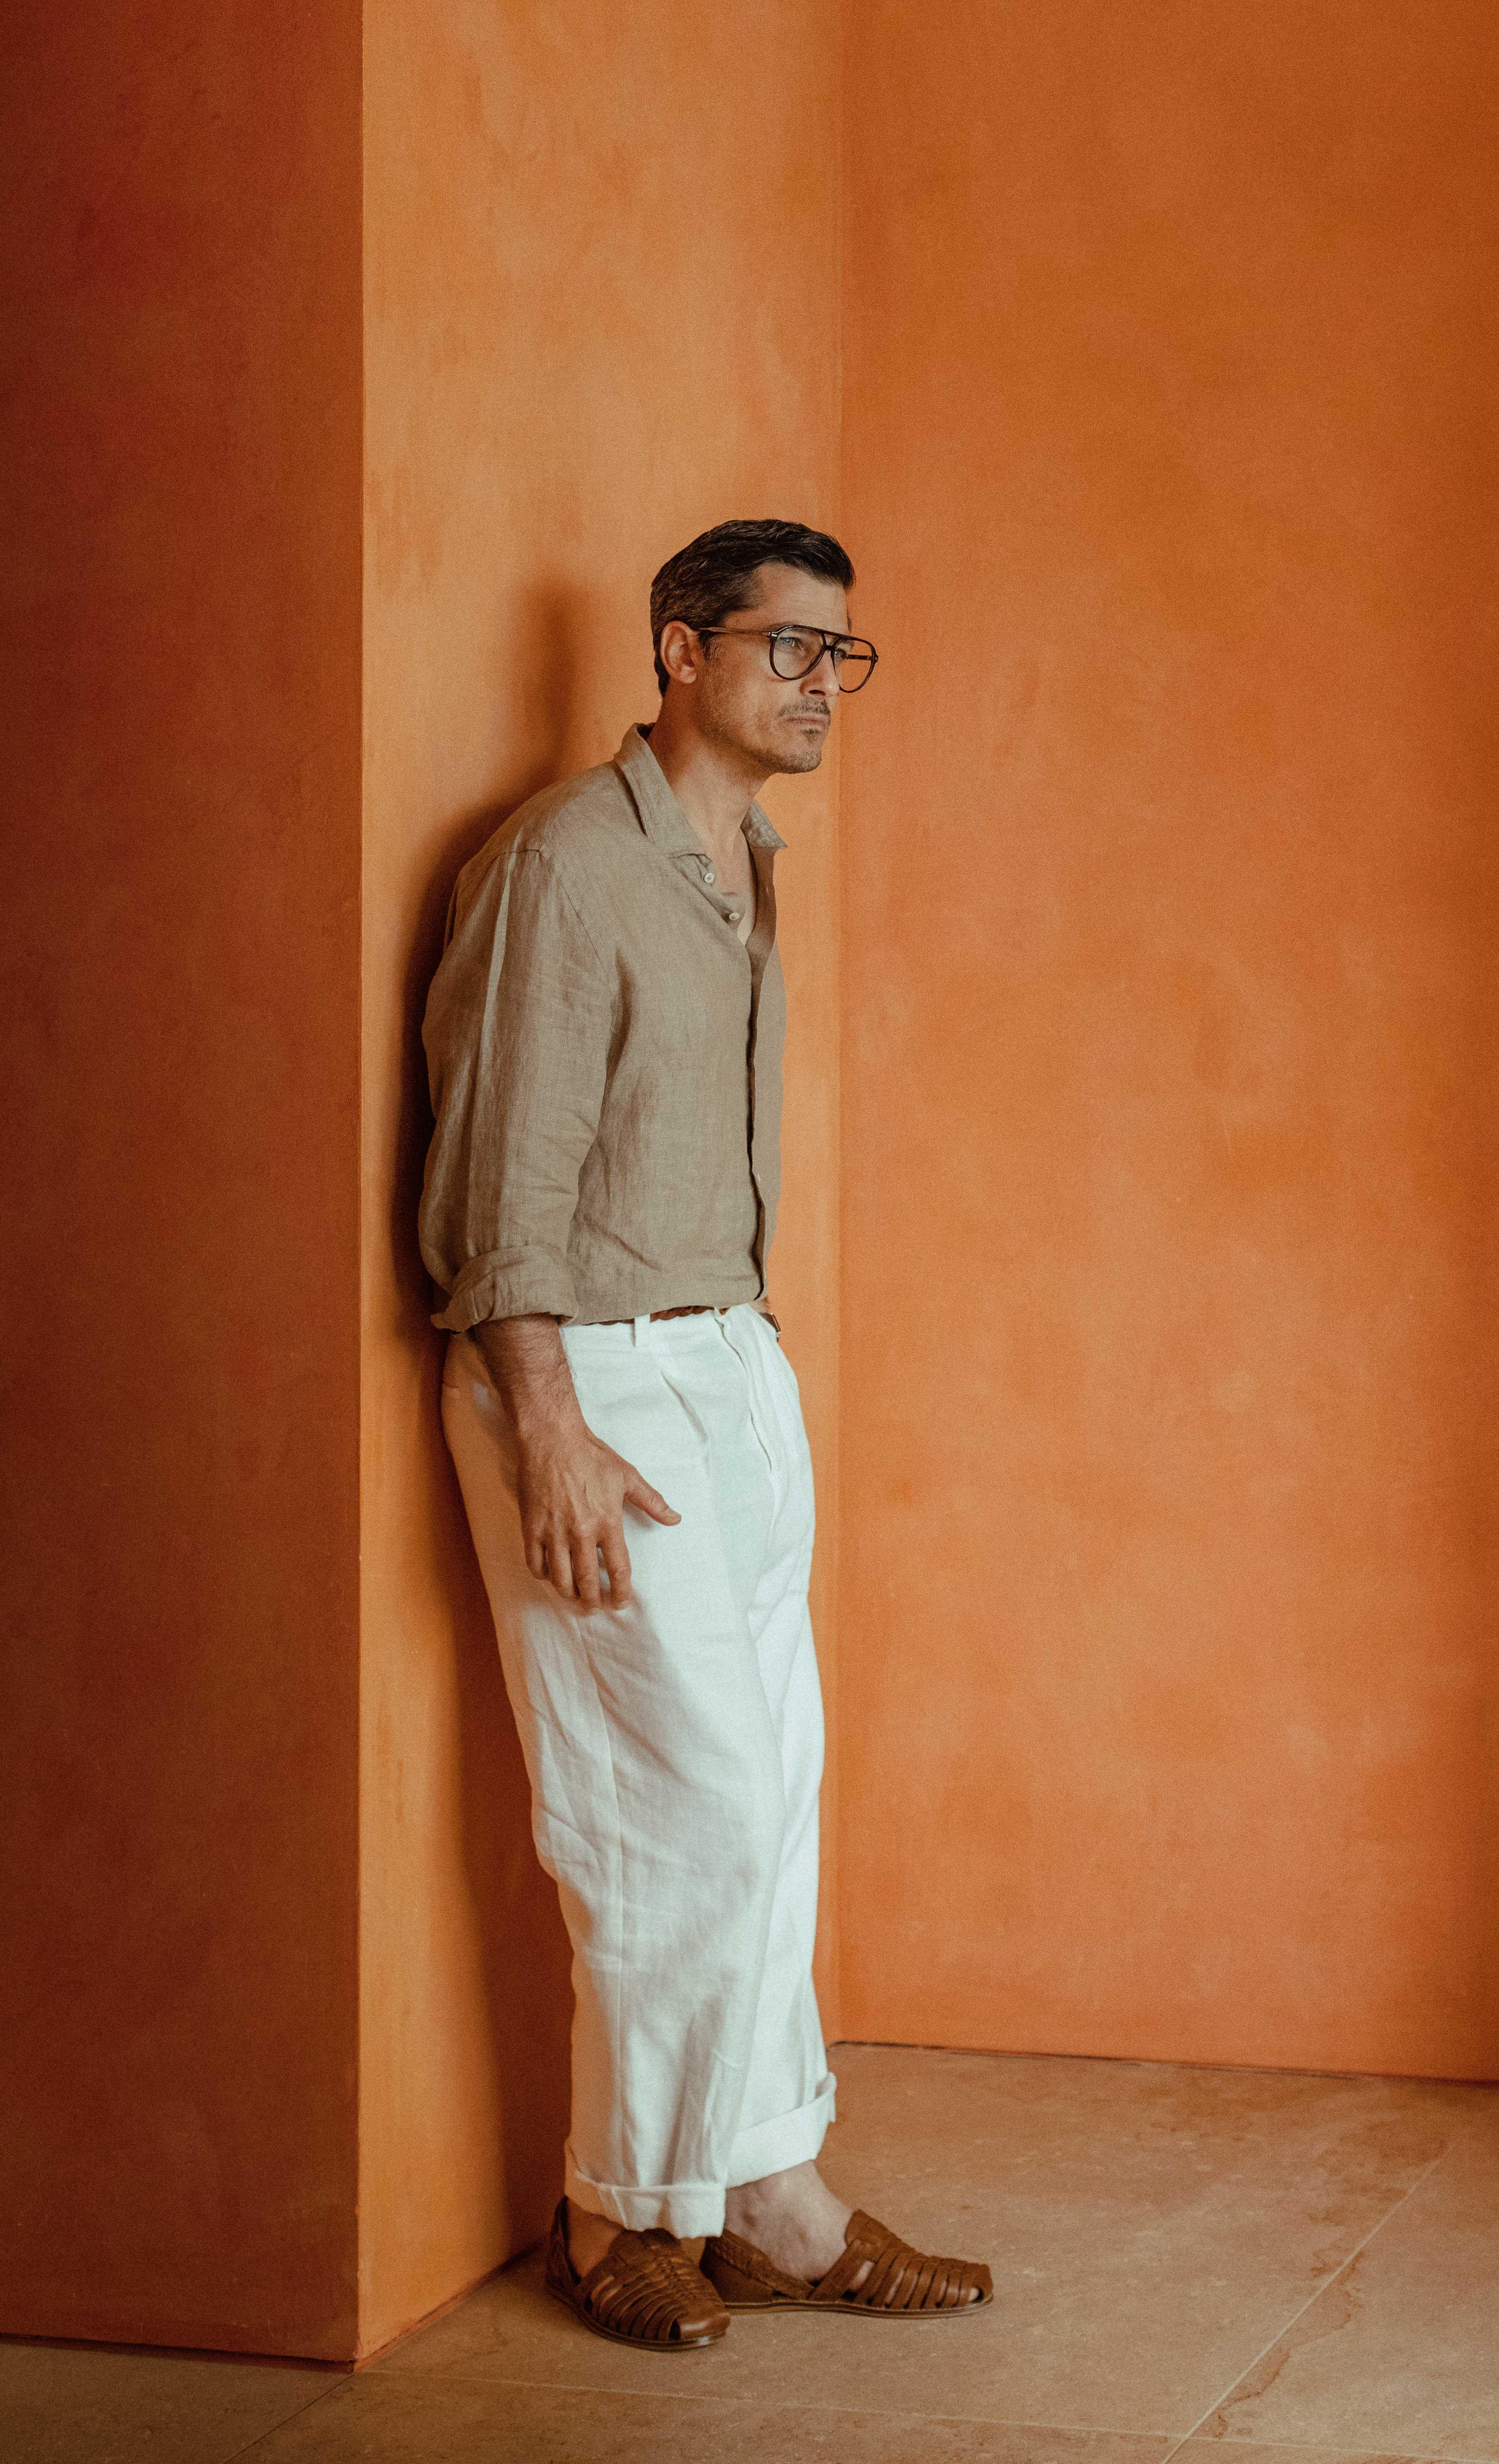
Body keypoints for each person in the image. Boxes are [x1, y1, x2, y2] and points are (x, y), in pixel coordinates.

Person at [419, 518, 991, 2352]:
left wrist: (747, 1376)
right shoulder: (567, 871)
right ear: (681, 654)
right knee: (674, 1813)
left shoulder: (741, 857)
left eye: (845, 656)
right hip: (586, 1373)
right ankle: (620, 2213)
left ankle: (763, 2197)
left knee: (774, 1808)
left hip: (727, 1361)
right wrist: (551, 1429)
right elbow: (498, 1175)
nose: (824, 684)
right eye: (789, 648)